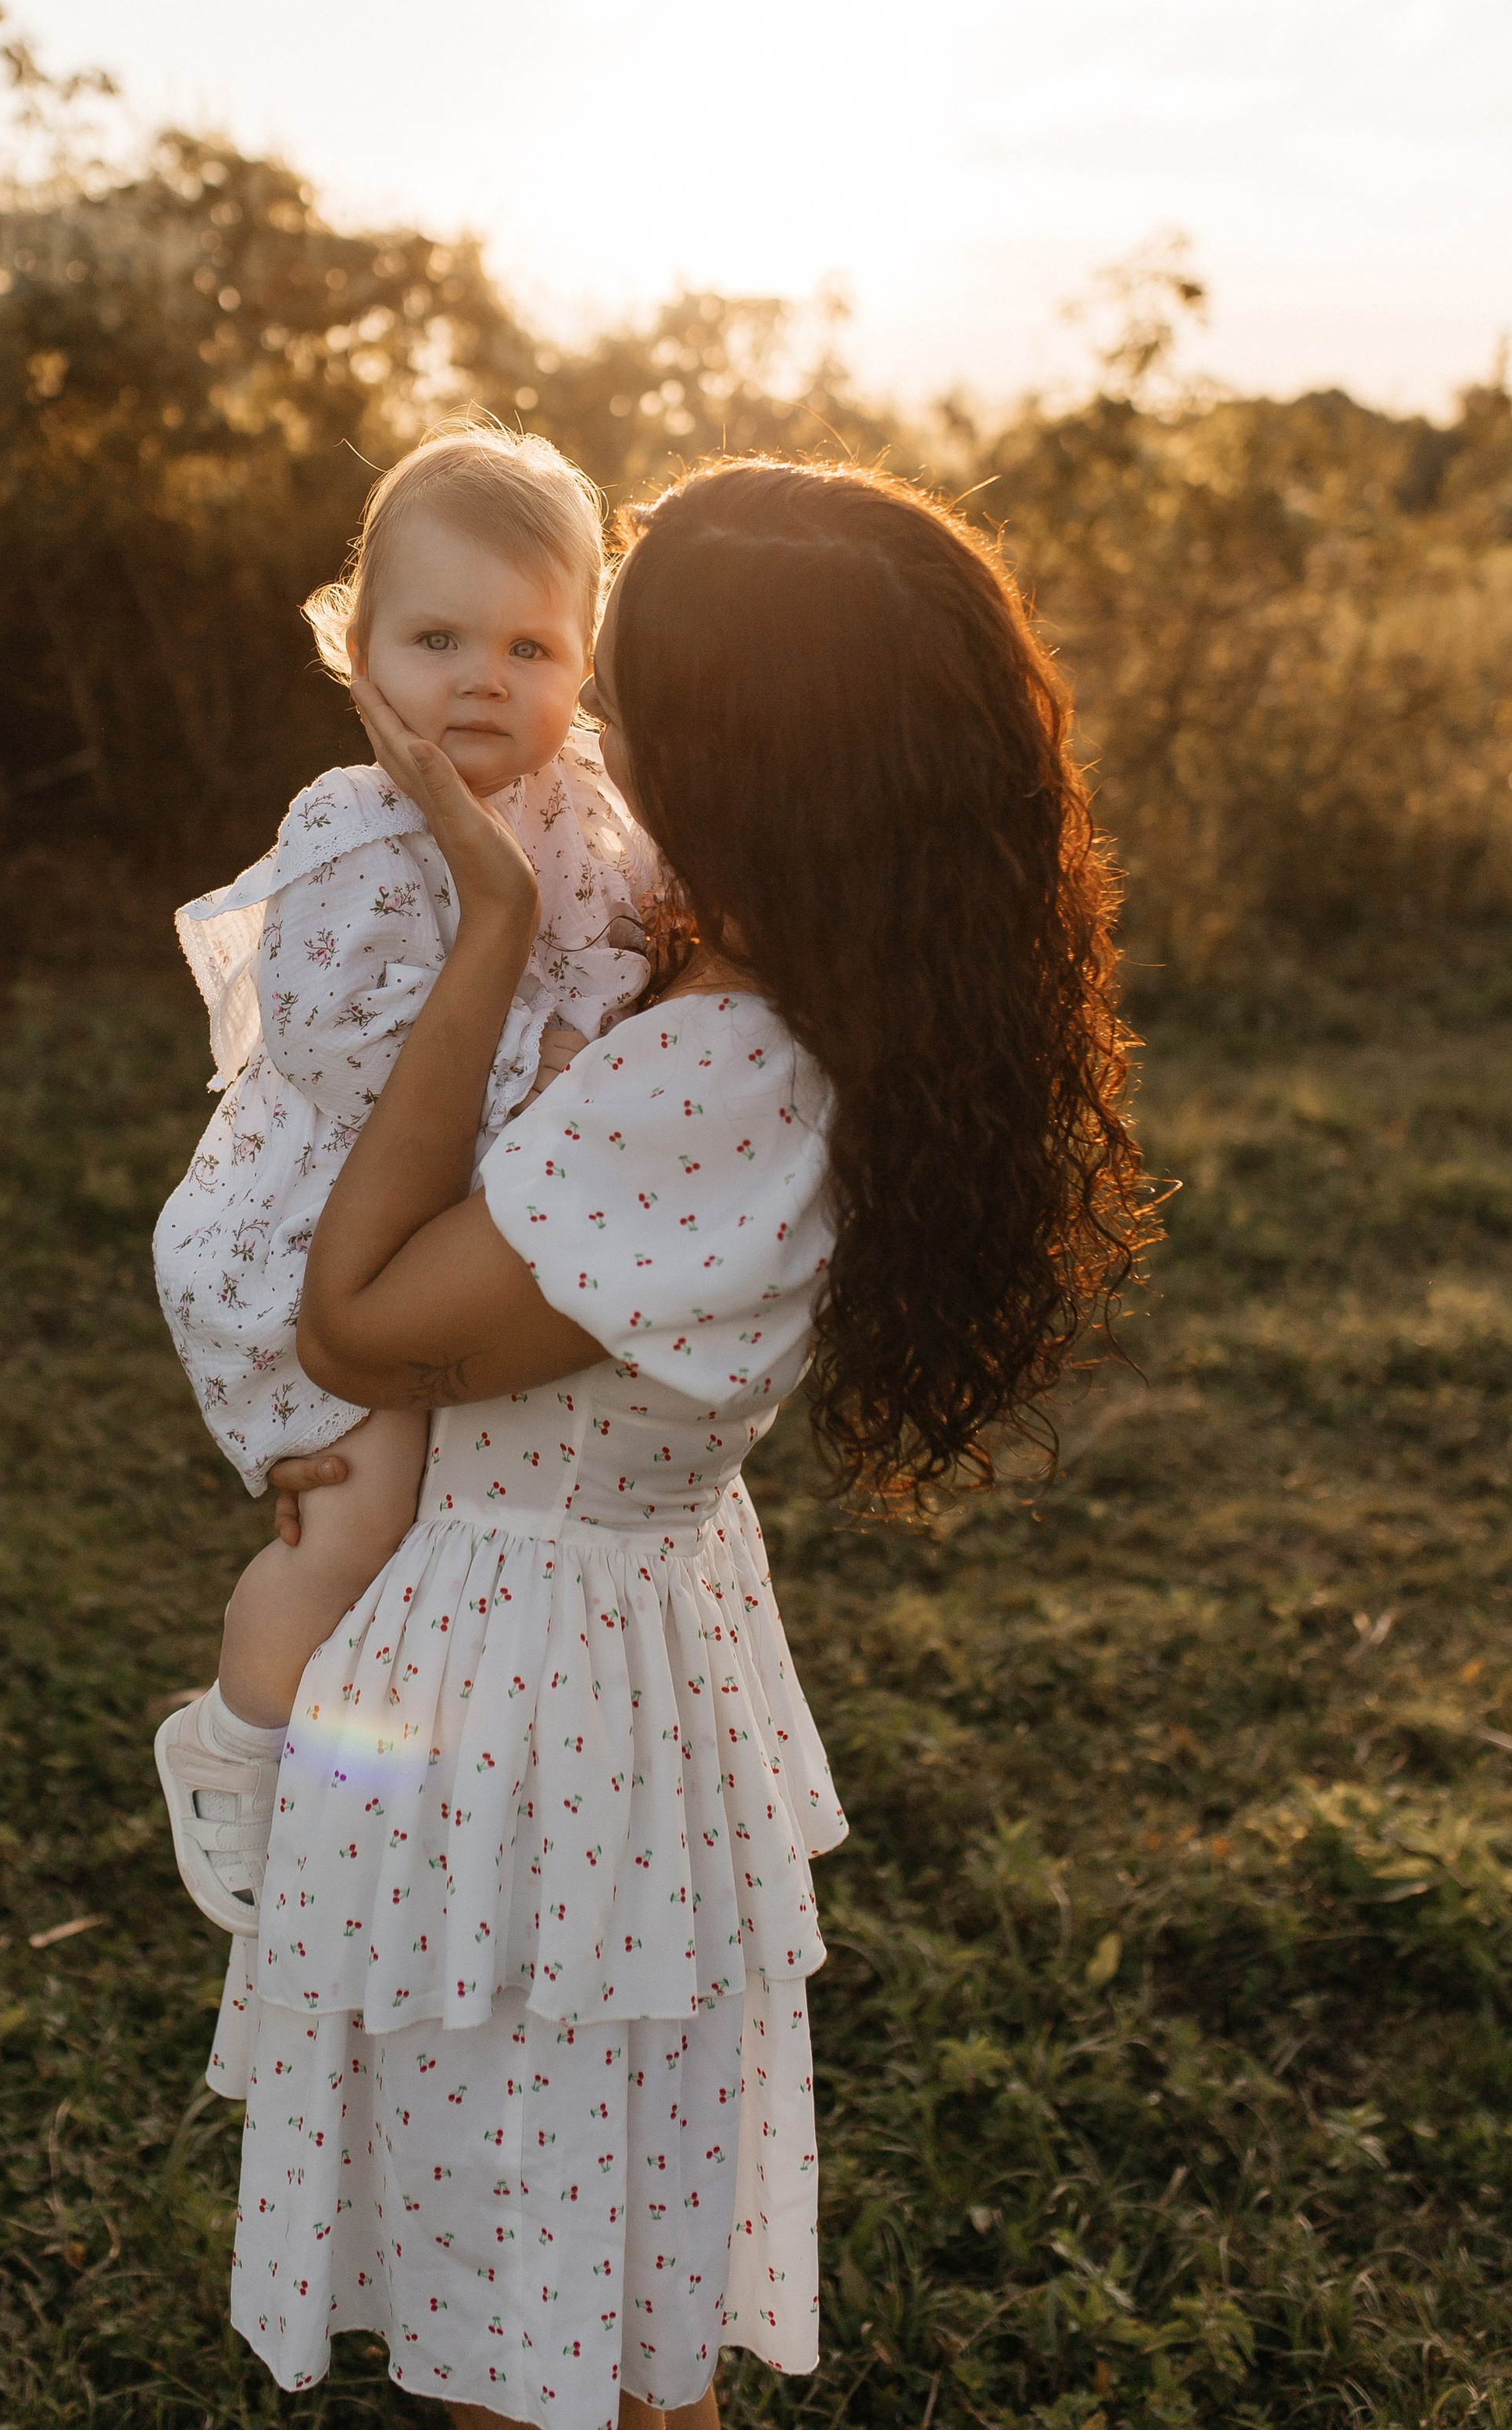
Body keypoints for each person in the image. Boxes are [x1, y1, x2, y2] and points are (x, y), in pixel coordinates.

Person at [218, 455, 1153, 2430]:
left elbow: (353, 1318)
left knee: (515, 2334)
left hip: (518, 1714)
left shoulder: (713, 1070)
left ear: (747, 759)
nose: (594, 719)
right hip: (623, 1673)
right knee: (601, 2298)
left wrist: (479, 913)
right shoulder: (779, 987)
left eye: (624, 678)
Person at [152, 426, 651, 1948]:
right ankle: (230, 1744)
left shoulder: (584, 811)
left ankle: (402, 1783)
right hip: (305, 1227)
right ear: (357, 653)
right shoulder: (347, 827)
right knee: (361, 1517)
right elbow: (331, 1047)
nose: (483, 680)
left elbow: (631, 950)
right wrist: (542, 1069)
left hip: (457, 1217)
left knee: (472, 1509)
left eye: (529, 644)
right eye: (436, 641)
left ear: (582, 663)